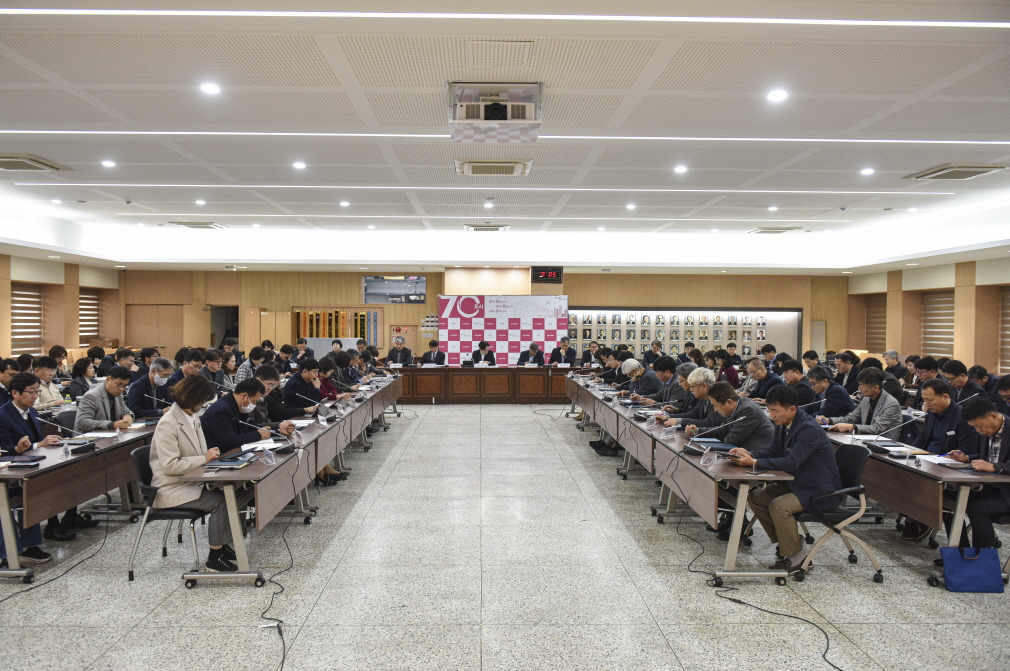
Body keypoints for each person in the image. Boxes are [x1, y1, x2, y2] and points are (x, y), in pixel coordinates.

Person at [728, 385, 842, 573]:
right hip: (797, 483)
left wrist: (754, 462)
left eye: (775, 411)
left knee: (779, 506)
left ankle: (798, 558)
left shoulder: (808, 429)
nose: (771, 415)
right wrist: (750, 453)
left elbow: (791, 462)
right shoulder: (784, 424)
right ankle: (789, 544)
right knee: (757, 497)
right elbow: (773, 451)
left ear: (792, 410)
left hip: (819, 489)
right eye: (769, 410)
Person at [149, 374, 247, 572]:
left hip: (192, 480)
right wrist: (204, 458)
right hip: (171, 488)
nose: (203, 405)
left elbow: (200, 453)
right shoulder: (168, 423)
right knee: (220, 502)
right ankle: (214, 558)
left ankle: (223, 545)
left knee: (233, 493)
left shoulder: (192, 417)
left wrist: (212, 457)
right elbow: (170, 466)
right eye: (202, 401)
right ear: (191, 398)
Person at [898, 379, 982, 542]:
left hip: (947, 468)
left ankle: (920, 521)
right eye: (924, 400)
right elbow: (923, 437)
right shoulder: (932, 413)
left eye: (930, 400)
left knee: (926, 485)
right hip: (926, 460)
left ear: (945, 397)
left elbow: (967, 450)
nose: (927, 404)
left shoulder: (962, 417)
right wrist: (909, 452)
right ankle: (914, 518)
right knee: (901, 474)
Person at [0, 372, 64, 557]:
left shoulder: (33, 412)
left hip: (31, 466)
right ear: (15, 393)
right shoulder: (3, 415)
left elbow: (36, 441)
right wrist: (23, 447)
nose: (35, 396)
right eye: (30, 392)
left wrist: (45, 442)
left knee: (41, 487)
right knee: (29, 491)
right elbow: (5, 450)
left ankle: (32, 544)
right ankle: (13, 552)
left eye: (37, 391)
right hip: (10, 471)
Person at [940, 398, 1010, 550]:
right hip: (991, 486)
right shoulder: (987, 430)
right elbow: (988, 457)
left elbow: (994, 463)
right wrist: (967, 458)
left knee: (977, 508)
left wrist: (996, 467)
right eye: (975, 427)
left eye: (979, 426)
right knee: (947, 498)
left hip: (1006, 492)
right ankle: (961, 552)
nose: (978, 431)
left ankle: (982, 557)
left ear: (993, 416)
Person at [686, 382, 775, 452]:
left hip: (757, 455)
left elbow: (731, 441)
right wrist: (698, 431)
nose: (715, 410)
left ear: (729, 402)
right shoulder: (735, 406)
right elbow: (723, 429)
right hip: (742, 452)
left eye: (716, 406)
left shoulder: (747, 410)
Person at [819, 368, 902, 439]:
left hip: (883, 443)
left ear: (875, 387)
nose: (859, 388)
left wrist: (852, 427)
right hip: (865, 438)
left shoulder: (891, 404)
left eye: (862, 385)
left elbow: (878, 428)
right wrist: (829, 420)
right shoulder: (866, 399)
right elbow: (851, 418)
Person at [200, 378, 272, 452]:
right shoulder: (222, 410)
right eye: (254, 401)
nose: (254, 405)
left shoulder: (237, 404)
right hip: (219, 454)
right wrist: (258, 435)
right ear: (245, 396)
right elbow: (228, 441)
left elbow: (250, 427)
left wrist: (274, 429)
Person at [75, 366, 135, 433]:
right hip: (91, 436)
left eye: (125, 386)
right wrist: (111, 425)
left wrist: (128, 415)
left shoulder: (118, 395)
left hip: (112, 434)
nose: (121, 389)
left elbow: (126, 410)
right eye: (119, 385)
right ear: (108, 379)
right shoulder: (92, 396)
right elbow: (82, 422)